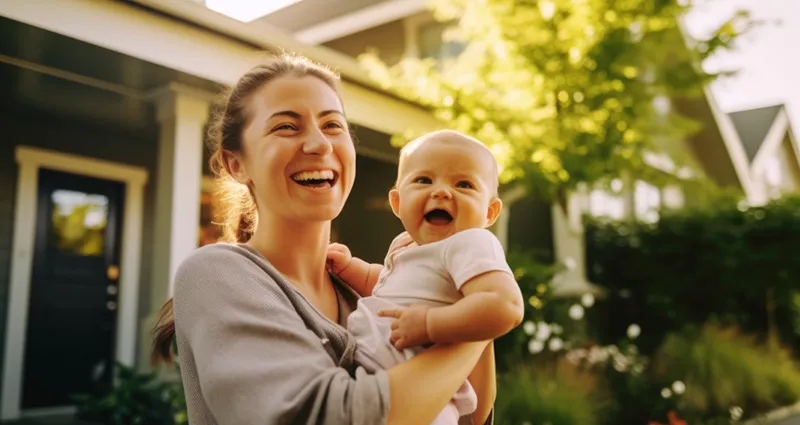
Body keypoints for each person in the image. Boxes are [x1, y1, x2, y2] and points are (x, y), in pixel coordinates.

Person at [151, 54, 493, 425]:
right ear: (237, 164)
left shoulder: (375, 294)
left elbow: (469, 417)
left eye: (332, 125)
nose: (320, 144)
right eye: (286, 127)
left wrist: (466, 297)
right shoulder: (218, 274)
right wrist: (480, 319)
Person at [326, 130, 524, 425]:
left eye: (464, 184)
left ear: (489, 212)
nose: (441, 192)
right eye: (424, 180)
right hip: (378, 382)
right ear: (397, 202)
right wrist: (352, 268)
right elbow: (388, 287)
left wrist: (430, 324)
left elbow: (506, 306)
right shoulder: (405, 244)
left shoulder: (471, 242)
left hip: (428, 403)